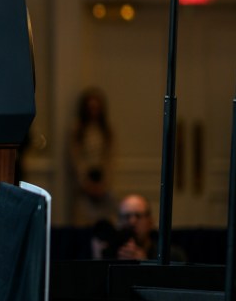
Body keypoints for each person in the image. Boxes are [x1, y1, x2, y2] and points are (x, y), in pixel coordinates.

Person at [92, 194, 187, 262]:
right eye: (126, 216)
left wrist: (145, 265)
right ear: (118, 222)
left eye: (138, 216)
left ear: (150, 221)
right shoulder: (108, 252)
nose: (132, 222)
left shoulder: (170, 256)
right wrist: (99, 261)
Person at [69, 87, 115, 226]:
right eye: (90, 108)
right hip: (84, 185)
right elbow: (75, 159)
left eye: (96, 108)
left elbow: (110, 158)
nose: (93, 111)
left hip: (102, 183)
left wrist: (104, 183)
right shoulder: (77, 130)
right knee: (83, 222)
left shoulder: (106, 130)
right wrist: (86, 183)